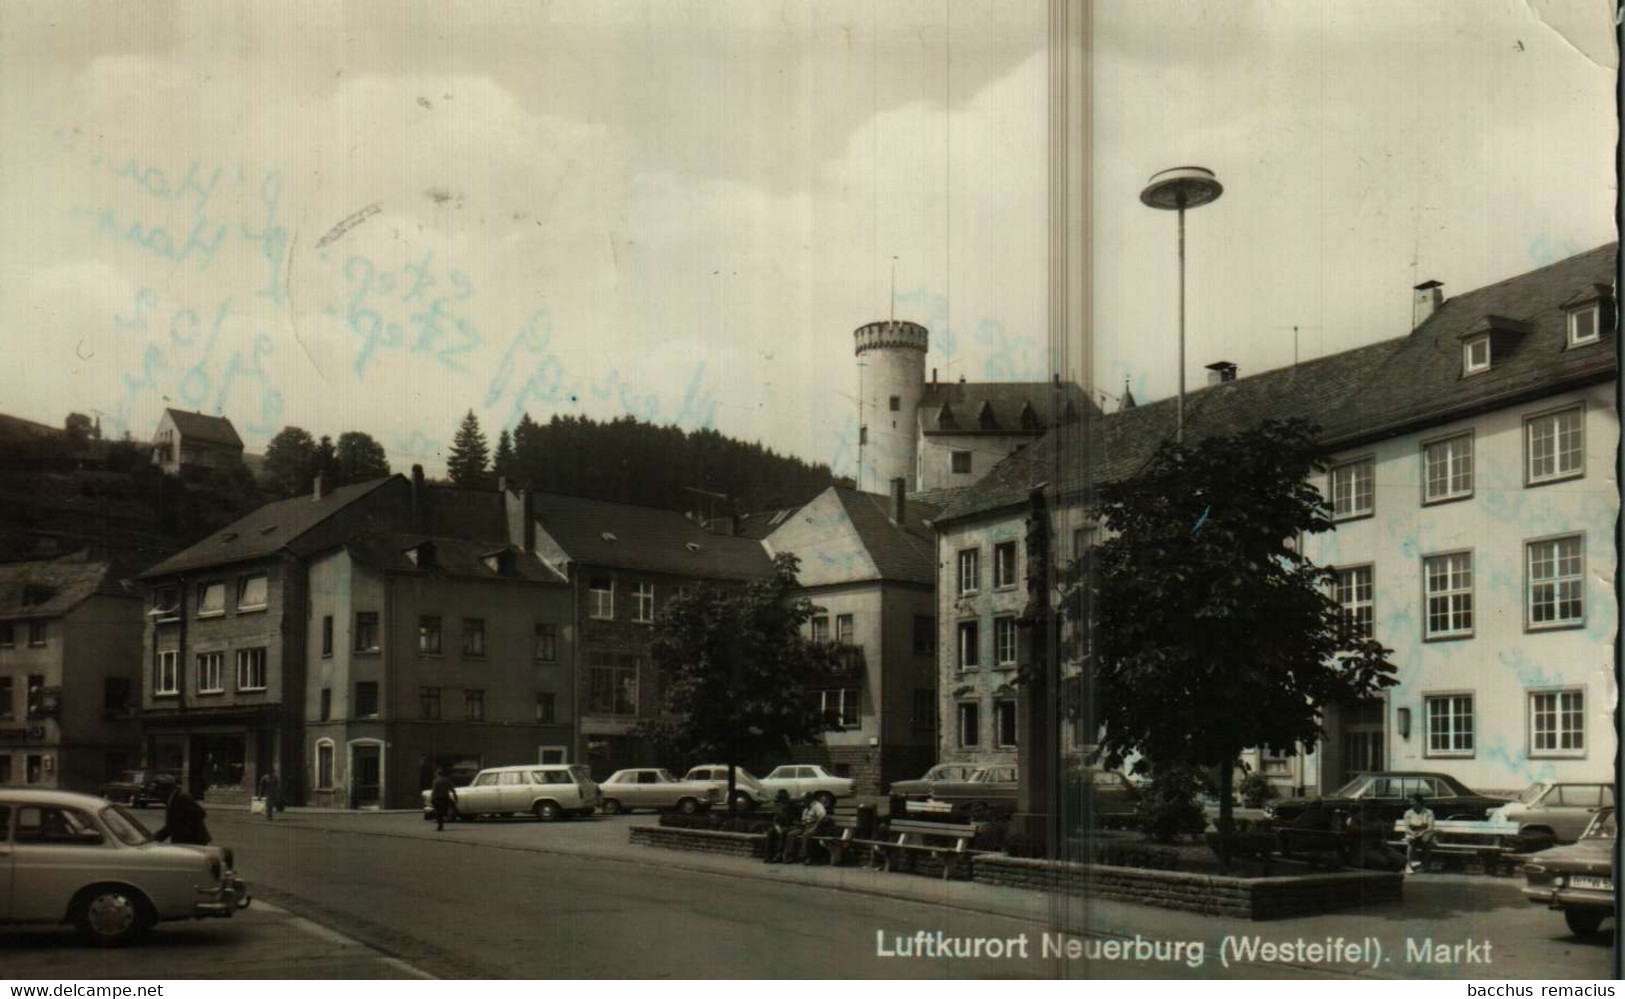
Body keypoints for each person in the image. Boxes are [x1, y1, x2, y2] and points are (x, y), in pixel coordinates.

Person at [783, 793, 830, 865]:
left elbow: (823, 817)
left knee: (806, 834)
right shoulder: (806, 808)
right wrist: (798, 824)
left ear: (809, 799)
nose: (803, 802)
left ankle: (806, 857)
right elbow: (804, 821)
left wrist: (814, 827)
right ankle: (789, 856)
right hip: (806, 826)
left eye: (804, 800)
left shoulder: (817, 806)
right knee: (791, 834)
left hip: (817, 826)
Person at [1401, 793, 1436, 873]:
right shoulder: (1408, 813)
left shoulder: (1429, 812)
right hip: (1412, 833)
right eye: (1410, 801)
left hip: (1425, 833)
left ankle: (1425, 865)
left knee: (1426, 842)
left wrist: (1421, 832)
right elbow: (1407, 828)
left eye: (1413, 801)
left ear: (1419, 802)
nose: (1411, 803)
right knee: (1411, 842)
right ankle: (1408, 865)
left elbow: (1430, 827)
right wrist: (1413, 833)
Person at [763, 790, 798, 864]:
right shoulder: (778, 808)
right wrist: (777, 827)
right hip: (780, 826)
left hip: (791, 826)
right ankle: (768, 855)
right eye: (780, 799)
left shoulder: (792, 807)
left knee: (784, 831)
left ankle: (779, 854)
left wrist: (783, 827)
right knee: (770, 831)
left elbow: (794, 821)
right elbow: (775, 820)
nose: (781, 801)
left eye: (783, 799)